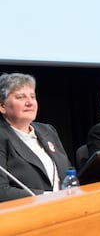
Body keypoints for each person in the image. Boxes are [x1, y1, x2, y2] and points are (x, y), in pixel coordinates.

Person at [0, 73, 72, 202]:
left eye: (32, 97)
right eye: (21, 97)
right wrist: (47, 196)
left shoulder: (47, 130)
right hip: (27, 213)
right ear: (2, 106)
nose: (29, 103)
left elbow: (68, 172)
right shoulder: (2, 136)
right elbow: (2, 191)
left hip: (66, 204)